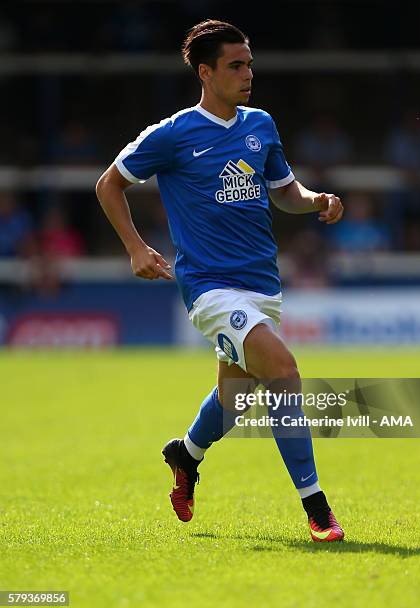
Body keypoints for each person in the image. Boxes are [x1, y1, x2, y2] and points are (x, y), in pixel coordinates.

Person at [96, 20, 345, 542]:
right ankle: (317, 508)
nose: (247, 73)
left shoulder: (262, 126)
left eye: (249, 63)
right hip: (209, 287)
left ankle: (184, 454)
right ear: (205, 73)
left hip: (262, 285)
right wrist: (137, 247)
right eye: (235, 65)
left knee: (235, 399)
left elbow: (282, 191)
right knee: (283, 368)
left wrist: (315, 200)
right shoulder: (172, 134)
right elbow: (109, 183)